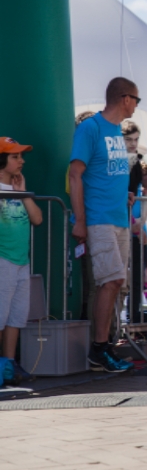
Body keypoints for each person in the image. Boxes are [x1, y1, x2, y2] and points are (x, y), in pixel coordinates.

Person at [69, 77, 139, 373]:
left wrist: (123, 194)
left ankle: (104, 346)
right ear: (125, 99)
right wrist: (81, 221)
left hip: (117, 218)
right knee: (108, 283)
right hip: (98, 219)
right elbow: (75, 174)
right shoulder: (91, 128)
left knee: (115, 284)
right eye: (136, 99)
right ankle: (99, 349)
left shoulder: (114, 130)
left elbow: (105, 172)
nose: (136, 104)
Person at [0, 138, 42, 384]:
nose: (21, 161)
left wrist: (23, 193)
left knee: (16, 316)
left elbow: (37, 219)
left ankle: (8, 364)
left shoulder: (18, 188)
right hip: (3, 259)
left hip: (21, 261)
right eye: (15, 156)